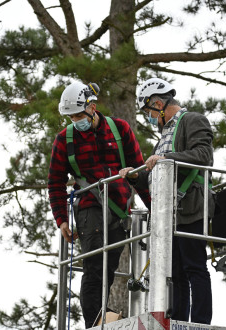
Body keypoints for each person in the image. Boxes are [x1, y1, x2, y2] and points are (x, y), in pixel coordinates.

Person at [48, 81, 151, 328]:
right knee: (95, 266)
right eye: (70, 117)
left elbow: (140, 174)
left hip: (119, 209)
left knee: (109, 268)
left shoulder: (120, 129)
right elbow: (55, 182)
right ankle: (94, 323)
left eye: (78, 115)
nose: (75, 121)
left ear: (92, 107)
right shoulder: (65, 140)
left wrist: (154, 208)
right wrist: (61, 219)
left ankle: (103, 318)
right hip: (88, 208)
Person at [119, 77, 215, 325]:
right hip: (168, 213)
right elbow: (154, 179)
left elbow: (203, 155)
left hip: (191, 206)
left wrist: (166, 159)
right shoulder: (163, 136)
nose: (149, 117)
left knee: (195, 266)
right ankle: (179, 320)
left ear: (159, 103)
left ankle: (200, 322)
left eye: (148, 111)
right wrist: (135, 177)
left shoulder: (192, 120)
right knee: (176, 273)